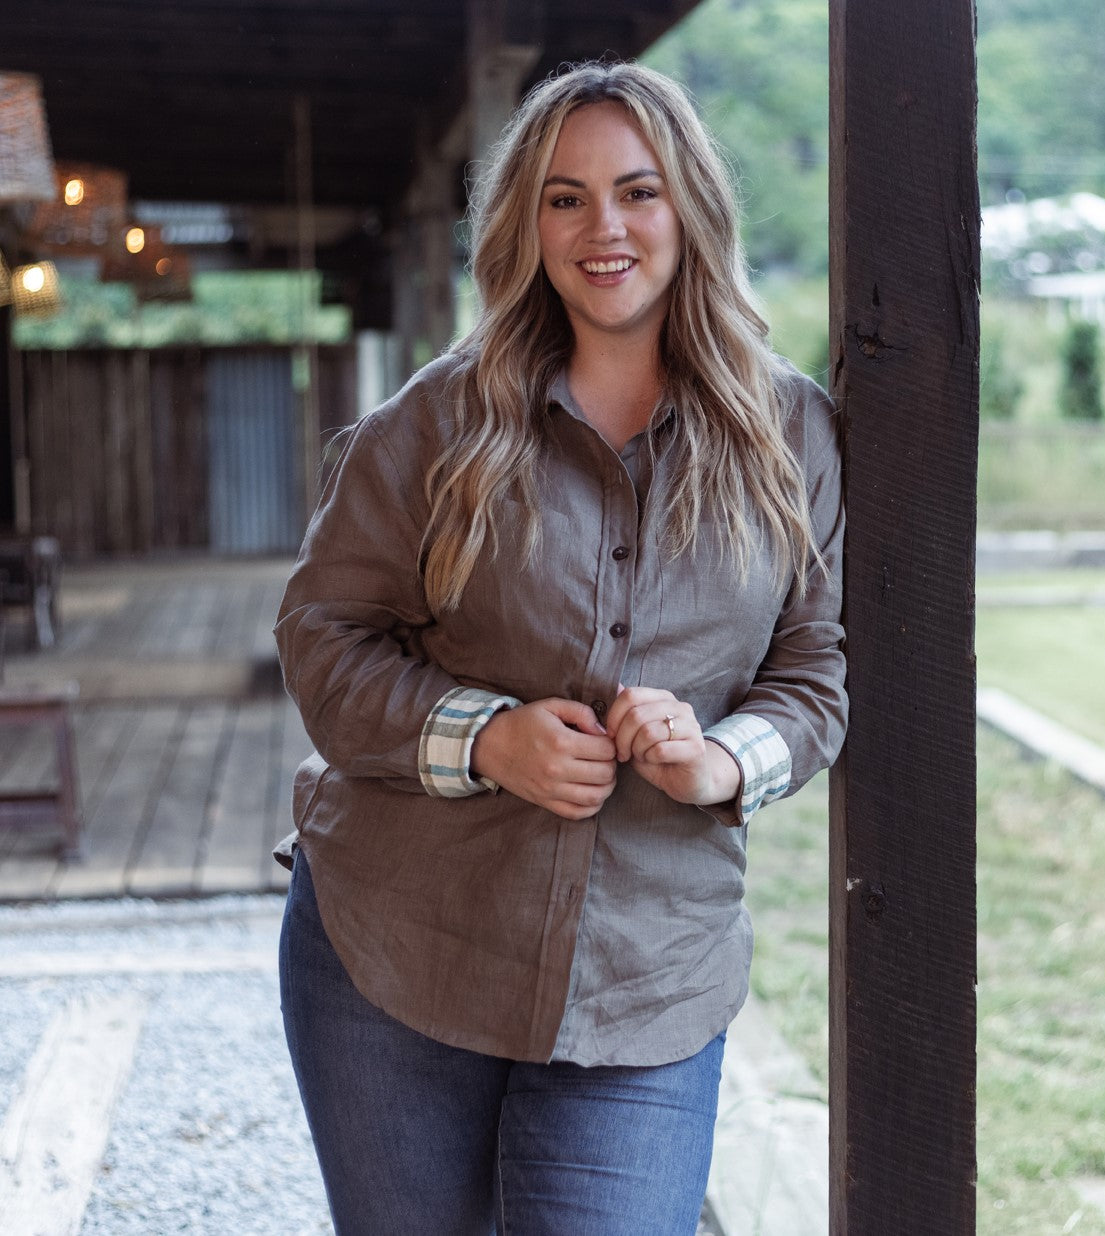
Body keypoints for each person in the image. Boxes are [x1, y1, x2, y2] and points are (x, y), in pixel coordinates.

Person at [274, 59, 847, 1236]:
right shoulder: (435, 421)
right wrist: (488, 740)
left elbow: (815, 673)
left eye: (637, 191)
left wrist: (723, 762)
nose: (606, 229)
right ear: (525, 222)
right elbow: (323, 636)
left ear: (690, 203)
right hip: (401, 947)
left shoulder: (791, 434)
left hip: (649, 977)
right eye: (565, 197)